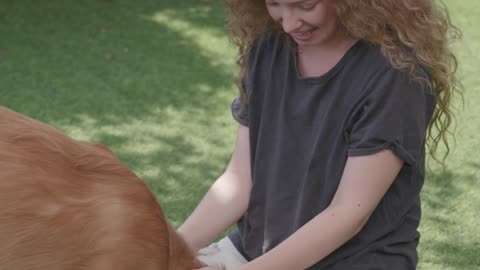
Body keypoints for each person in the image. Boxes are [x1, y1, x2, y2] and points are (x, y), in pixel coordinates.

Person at [178, 0, 461, 269]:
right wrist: (167, 249)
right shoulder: (267, 46)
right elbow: (238, 182)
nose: (288, 24)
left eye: (305, 6)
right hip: (258, 253)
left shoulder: (394, 74)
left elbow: (349, 213)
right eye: (274, 4)